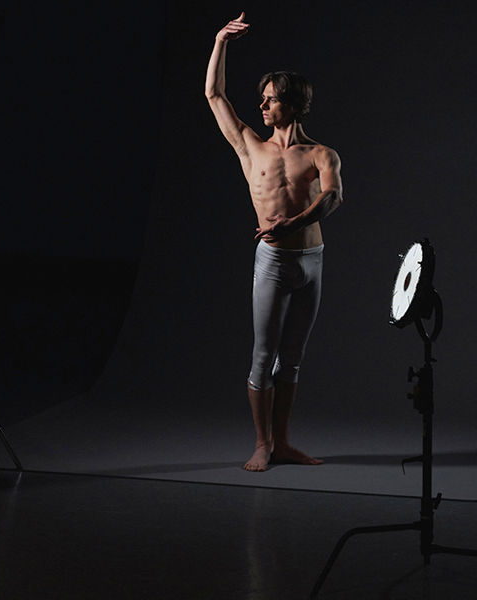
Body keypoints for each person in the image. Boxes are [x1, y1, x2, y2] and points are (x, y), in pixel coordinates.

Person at [205, 12, 343, 471]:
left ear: (292, 104)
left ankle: (282, 442)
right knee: (262, 356)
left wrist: (294, 223)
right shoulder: (250, 146)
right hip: (273, 262)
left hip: (312, 261)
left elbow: (333, 196)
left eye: (270, 100)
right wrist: (221, 41)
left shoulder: (321, 153)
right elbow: (214, 94)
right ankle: (262, 444)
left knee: (294, 359)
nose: (262, 107)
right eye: (261, 100)